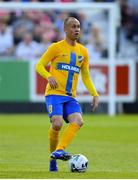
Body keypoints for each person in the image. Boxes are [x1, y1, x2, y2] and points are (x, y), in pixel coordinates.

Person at [35, 17, 99, 172]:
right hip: (54, 94)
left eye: (78, 26)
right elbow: (39, 66)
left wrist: (94, 93)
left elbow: (86, 76)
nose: (76, 29)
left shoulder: (83, 51)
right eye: (72, 27)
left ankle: (59, 149)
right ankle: (53, 159)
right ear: (65, 29)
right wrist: (49, 76)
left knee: (78, 121)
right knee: (57, 124)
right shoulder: (56, 48)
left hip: (70, 96)